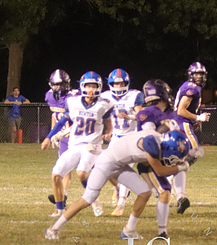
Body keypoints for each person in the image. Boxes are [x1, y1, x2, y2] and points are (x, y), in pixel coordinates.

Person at [45, 129, 190, 240]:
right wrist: (181, 167)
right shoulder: (151, 144)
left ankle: (129, 230)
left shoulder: (156, 138)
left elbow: (143, 165)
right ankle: (53, 229)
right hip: (106, 163)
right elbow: (159, 170)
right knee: (87, 199)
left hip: (119, 164)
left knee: (145, 192)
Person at [41, 71, 113, 218]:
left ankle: (94, 199)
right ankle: (60, 210)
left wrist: (109, 132)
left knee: (81, 173)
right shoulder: (73, 102)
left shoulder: (103, 104)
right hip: (74, 144)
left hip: (92, 145)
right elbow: (61, 120)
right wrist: (49, 137)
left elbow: (109, 123)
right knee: (56, 174)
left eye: (94, 86)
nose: (91, 89)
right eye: (88, 85)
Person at [136, 78, 184, 237]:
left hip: (163, 156)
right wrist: (165, 126)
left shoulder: (169, 113)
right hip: (150, 160)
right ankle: (160, 232)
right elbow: (150, 137)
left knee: (179, 168)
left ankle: (180, 198)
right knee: (163, 191)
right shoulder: (146, 113)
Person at [100, 68, 145, 216]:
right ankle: (119, 188)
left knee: (124, 168)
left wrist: (129, 117)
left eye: (121, 83)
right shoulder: (105, 97)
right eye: (116, 83)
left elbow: (141, 116)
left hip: (132, 136)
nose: (118, 86)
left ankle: (121, 204)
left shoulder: (134, 96)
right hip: (116, 137)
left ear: (126, 83)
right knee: (106, 167)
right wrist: (108, 131)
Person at [171, 62, 210, 214]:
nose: (198, 76)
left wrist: (194, 120)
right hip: (181, 123)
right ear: (190, 74)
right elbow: (181, 111)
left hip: (178, 123)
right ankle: (168, 178)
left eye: (201, 74)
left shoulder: (191, 86)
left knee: (180, 159)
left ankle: (178, 195)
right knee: (195, 152)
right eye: (196, 74)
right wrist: (198, 117)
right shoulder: (192, 88)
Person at [45, 69, 77, 208]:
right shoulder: (49, 96)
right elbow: (54, 115)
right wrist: (54, 133)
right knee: (65, 169)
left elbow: (80, 120)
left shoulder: (74, 97)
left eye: (62, 84)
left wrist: (63, 132)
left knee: (90, 170)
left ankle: (118, 190)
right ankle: (62, 198)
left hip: (78, 136)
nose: (59, 87)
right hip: (64, 138)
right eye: (56, 84)